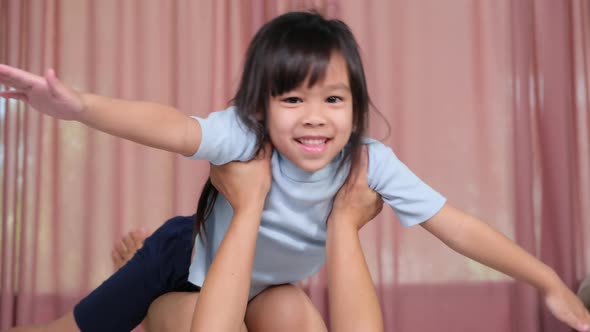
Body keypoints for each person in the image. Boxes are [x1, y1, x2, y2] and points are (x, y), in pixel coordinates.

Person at [1, 10, 589, 331]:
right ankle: (138, 280)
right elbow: (171, 126)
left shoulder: (367, 162)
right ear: (262, 106)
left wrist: (548, 281)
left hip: (266, 286)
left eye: (333, 100)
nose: (315, 120)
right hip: (181, 259)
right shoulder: (245, 136)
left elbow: (457, 226)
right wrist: (79, 107)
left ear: (356, 105)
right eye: (293, 101)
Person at [5, 145, 384, 332]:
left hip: (249, 289)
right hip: (177, 265)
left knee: (287, 306)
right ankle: (141, 285)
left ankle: (142, 287)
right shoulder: (178, 250)